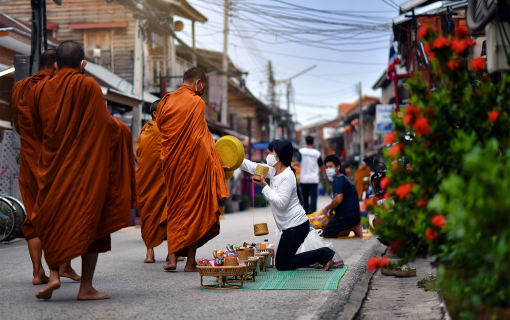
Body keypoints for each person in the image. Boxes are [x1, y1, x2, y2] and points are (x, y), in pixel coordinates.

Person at [29, 40, 137, 300]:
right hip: (83, 170)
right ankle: (86, 288)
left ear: (56, 64)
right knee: (92, 223)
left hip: (50, 169)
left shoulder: (40, 89)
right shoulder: (87, 84)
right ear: (82, 63)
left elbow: (34, 129)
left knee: (52, 220)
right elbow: (104, 125)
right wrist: (123, 130)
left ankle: (53, 276)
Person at [11, 49, 81, 285]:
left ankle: (37, 272)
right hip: (53, 163)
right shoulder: (54, 89)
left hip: (29, 164)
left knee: (34, 217)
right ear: (55, 67)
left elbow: (17, 124)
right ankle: (64, 266)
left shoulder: (19, 88)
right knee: (61, 214)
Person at [157, 67, 229, 272]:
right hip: (193, 164)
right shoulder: (197, 103)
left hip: (171, 162)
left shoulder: (165, 100)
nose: (202, 91)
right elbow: (200, 138)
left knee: (174, 206)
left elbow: (162, 128)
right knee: (194, 210)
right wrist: (215, 164)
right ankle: (189, 262)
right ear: (198, 82)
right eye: (203, 87)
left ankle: (171, 259)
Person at [243, 139, 335, 271]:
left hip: (295, 227)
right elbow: (251, 166)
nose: (268, 155)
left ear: (279, 157)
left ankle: (323, 254)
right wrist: (232, 159)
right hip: (289, 228)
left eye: (271, 152)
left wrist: (264, 186)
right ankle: (322, 255)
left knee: (282, 264)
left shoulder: (287, 176)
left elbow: (281, 203)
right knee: (284, 260)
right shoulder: (272, 171)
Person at [135, 99, 169, 264]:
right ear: (155, 114)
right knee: (157, 214)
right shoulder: (152, 131)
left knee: (165, 214)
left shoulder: (145, 131)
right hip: (151, 179)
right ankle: (154, 252)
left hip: (160, 180)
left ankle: (161, 252)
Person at [322, 155, 362, 238]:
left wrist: (326, 208)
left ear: (338, 167)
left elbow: (338, 199)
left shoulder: (338, 180)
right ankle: (349, 227)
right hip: (353, 215)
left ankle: (353, 227)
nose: (328, 169)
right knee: (330, 226)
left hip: (346, 216)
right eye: (327, 167)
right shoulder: (343, 178)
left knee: (326, 232)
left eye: (331, 166)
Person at [294, 136, 326, 214]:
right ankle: (313, 214)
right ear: (313, 142)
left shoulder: (301, 151)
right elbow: (321, 165)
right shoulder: (317, 153)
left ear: (305, 142)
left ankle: (306, 214)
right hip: (314, 179)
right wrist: (324, 173)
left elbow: (297, 162)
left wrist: (291, 165)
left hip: (304, 179)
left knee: (305, 197)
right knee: (313, 197)